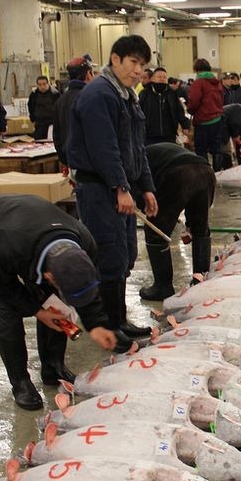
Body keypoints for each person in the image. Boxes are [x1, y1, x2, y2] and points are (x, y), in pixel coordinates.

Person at [0, 194, 118, 410]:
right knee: (5, 315)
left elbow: (86, 285)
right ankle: (20, 382)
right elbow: (1, 287)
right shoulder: (8, 249)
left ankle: (53, 367)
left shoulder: (85, 244)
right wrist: (37, 310)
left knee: (56, 306)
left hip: (31, 228)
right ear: (48, 275)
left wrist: (96, 324)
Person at [67, 34, 158, 347]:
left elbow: (137, 148)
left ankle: (119, 319)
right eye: (133, 62)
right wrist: (120, 187)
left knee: (123, 255)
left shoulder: (127, 96)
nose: (138, 71)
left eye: (142, 65)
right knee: (107, 255)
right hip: (99, 189)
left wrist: (145, 187)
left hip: (121, 186)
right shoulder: (99, 94)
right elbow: (104, 148)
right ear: (115, 59)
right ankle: (108, 325)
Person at [138, 142, 216, 300]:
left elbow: (141, 196)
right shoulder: (148, 151)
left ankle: (162, 287)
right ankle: (201, 279)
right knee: (199, 227)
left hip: (179, 173)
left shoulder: (129, 161)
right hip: (206, 171)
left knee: (155, 230)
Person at [54, 55, 95, 171]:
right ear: (88, 74)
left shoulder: (60, 101)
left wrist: (64, 161)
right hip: (90, 166)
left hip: (71, 162)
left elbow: (57, 135)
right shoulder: (91, 98)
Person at [188, 58, 229, 170]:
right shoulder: (217, 83)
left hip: (203, 121)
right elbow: (222, 100)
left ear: (196, 70)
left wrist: (190, 111)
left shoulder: (198, 83)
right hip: (218, 119)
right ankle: (217, 173)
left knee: (201, 150)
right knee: (216, 149)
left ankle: (206, 174)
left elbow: (194, 102)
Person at [140, 67, 188, 145]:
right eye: (159, 77)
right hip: (150, 136)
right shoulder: (144, 94)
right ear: (152, 78)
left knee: (169, 156)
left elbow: (179, 110)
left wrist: (185, 125)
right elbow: (139, 112)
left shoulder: (172, 93)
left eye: (164, 77)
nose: (162, 79)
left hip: (169, 135)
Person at [27, 75, 60, 140]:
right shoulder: (34, 94)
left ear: (48, 84)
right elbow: (30, 106)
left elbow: (59, 108)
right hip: (39, 124)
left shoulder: (55, 94)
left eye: (44, 84)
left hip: (52, 124)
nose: (42, 87)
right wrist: (32, 118)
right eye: (40, 84)